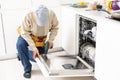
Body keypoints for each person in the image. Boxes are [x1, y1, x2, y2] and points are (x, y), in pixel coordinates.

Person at [16, 5, 59, 78]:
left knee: (37, 59)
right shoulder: (28, 15)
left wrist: (50, 40)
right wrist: (34, 48)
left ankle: (21, 54)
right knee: (20, 45)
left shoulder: (52, 14)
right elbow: (24, 33)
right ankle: (27, 69)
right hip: (27, 35)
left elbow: (55, 28)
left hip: (40, 38)